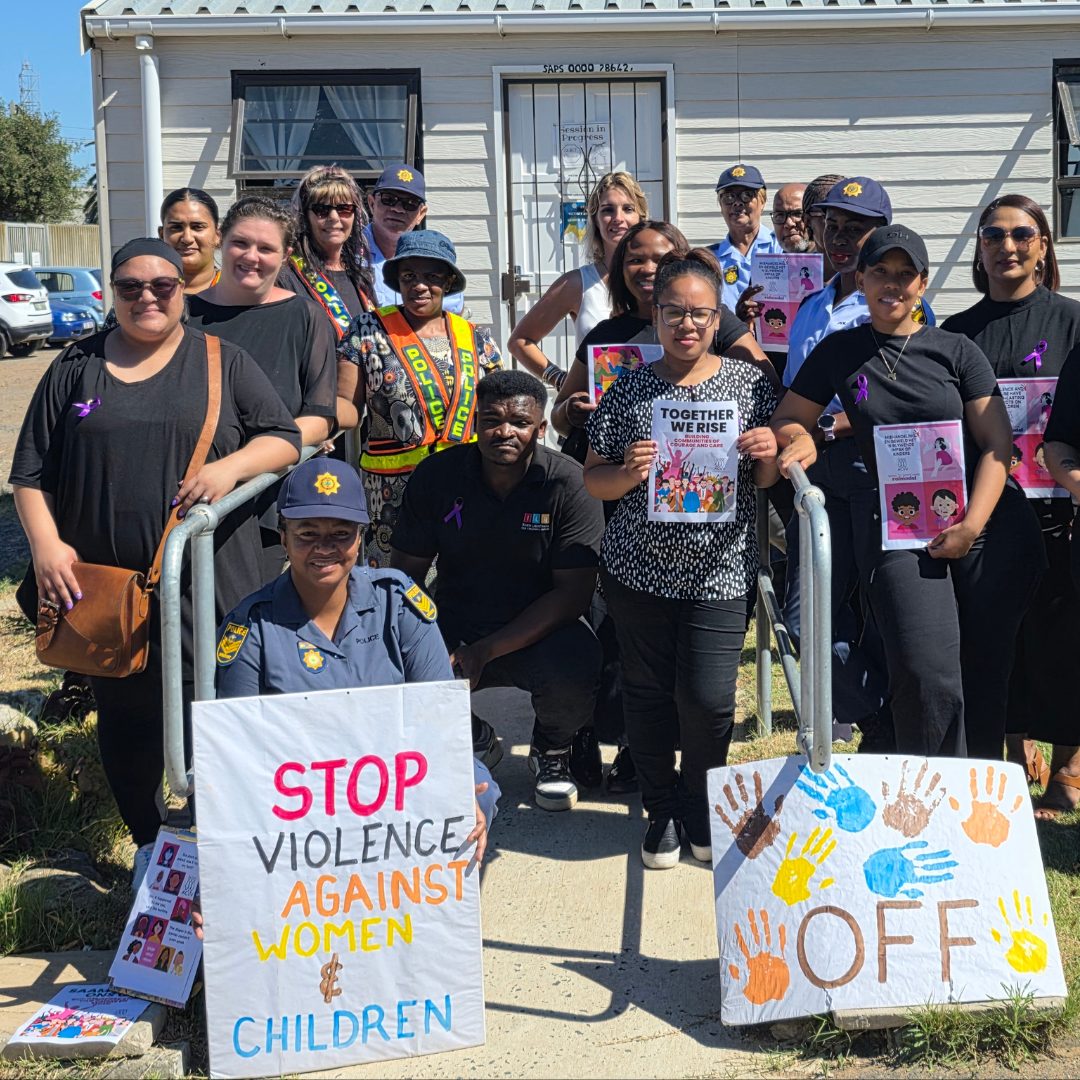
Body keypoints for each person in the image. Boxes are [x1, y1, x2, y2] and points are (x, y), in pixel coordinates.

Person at [9, 237, 301, 879]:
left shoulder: (221, 360)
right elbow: (30, 472)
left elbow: (283, 439)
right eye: (130, 287)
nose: (146, 297)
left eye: (161, 286)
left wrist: (230, 467)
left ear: (183, 291)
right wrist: (47, 544)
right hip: (103, 589)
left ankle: (227, 855)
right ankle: (150, 849)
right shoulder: (74, 365)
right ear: (111, 293)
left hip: (208, 580)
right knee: (126, 715)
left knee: (217, 711)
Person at [772, 224, 1043, 759]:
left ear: (922, 283)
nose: (891, 284)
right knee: (925, 669)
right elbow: (789, 419)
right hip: (901, 530)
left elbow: (996, 443)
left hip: (986, 524)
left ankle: (981, 795)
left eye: (904, 274)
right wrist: (801, 437)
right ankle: (932, 791)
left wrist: (972, 527)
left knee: (986, 666)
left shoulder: (955, 351)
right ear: (861, 277)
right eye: (879, 272)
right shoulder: (839, 351)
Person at [551, 219, 776, 794]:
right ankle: (659, 807)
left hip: (720, 572)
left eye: (700, 313)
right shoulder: (629, 388)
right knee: (646, 695)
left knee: (708, 700)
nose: (687, 324)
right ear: (655, 316)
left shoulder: (750, 387)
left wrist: (770, 450)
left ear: (718, 317)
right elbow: (594, 480)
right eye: (674, 312)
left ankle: (702, 803)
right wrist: (627, 472)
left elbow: (770, 475)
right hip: (638, 571)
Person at [215, 457, 497, 857]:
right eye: (307, 533)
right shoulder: (251, 626)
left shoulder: (397, 604)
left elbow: (437, 717)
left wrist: (456, 795)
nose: (325, 548)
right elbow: (238, 751)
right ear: (283, 538)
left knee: (475, 799)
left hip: (397, 774)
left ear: (360, 538)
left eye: (341, 534)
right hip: (300, 792)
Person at [392, 370, 604, 812]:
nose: (504, 431)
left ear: (540, 429)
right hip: (457, 612)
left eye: (520, 423)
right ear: (474, 423)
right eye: (491, 420)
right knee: (394, 655)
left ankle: (552, 751)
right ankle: (473, 738)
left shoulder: (568, 483)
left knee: (580, 663)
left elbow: (572, 596)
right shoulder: (438, 475)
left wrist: (483, 652)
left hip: (543, 621)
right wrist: (423, 645)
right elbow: (406, 577)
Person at [944, 194, 1080, 816]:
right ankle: (1010, 745)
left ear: (1043, 244)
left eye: (1022, 234)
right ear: (979, 248)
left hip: (1062, 509)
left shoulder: (1073, 325)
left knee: (1064, 641)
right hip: (989, 513)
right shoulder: (954, 333)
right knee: (997, 638)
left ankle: (1069, 769)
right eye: (993, 235)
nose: (1008, 246)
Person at [187, 196, 338, 575]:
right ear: (221, 241)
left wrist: (236, 466)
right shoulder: (183, 314)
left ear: (285, 255)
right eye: (241, 243)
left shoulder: (305, 317)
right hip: (185, 488)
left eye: (266, 248)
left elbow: (319, 420)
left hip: (262, 499)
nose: (251, 256)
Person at [336, 230, 502, 568]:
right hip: (390, 495)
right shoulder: (367, 330)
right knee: (392, 588)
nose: (419, 285)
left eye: (432, 276)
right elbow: (345, 406)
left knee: (463, 581)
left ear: (449, 281)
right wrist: (311, 424)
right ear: (397, 280)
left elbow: (500, 406)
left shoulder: (476, 338)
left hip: (463, 486)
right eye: (409, 275)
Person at [508, 172, 648, 388]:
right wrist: (562, 380)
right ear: (595, 219)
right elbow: (520, 342)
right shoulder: (578, 283)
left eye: (628, 209)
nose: (618, 218)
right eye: (607, 210)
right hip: (598, 412)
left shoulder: (661, 279)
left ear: (641, 217)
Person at [279, 165, 376, 337]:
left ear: (355, 215)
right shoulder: (286, 276)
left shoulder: (361, 275)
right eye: (321, 210)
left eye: (344, 209)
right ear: (305, 216)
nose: (334, 217)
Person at [363, 164, 464, 314]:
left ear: (421, 214)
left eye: (410, 204)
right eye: (389, 199)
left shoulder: (434, 256)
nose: (397, 209)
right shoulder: (346, 253)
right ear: (371, 203)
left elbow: (451, 313)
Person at [709, 164, 783, 315]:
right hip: (728, 338)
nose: (737, 203)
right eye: (728, 197)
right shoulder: (710, 259)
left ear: (762, 202)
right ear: (721, 206)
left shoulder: (781, 248)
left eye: (747, 195)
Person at [771, 183, 811, 254]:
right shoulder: (767, 262)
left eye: (797, 214)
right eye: (779, 215)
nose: (789, 223)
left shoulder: (832, 263)